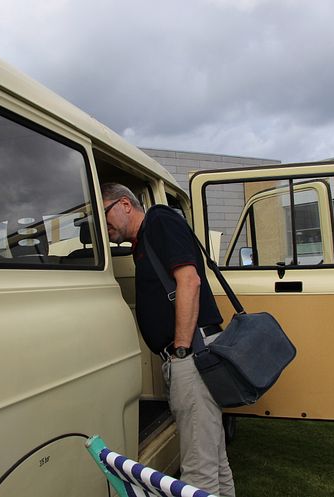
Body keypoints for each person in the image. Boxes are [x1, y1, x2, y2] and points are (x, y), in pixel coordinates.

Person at [102, 183, 236, 497]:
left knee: (197, 469)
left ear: (124, 204)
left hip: (191, 353)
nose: (102, 224)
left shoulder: (160, 219)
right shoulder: (144, 239)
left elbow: (188, 279)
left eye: (104, 212)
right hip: (190, 354)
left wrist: (179, 349)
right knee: (213, 457)